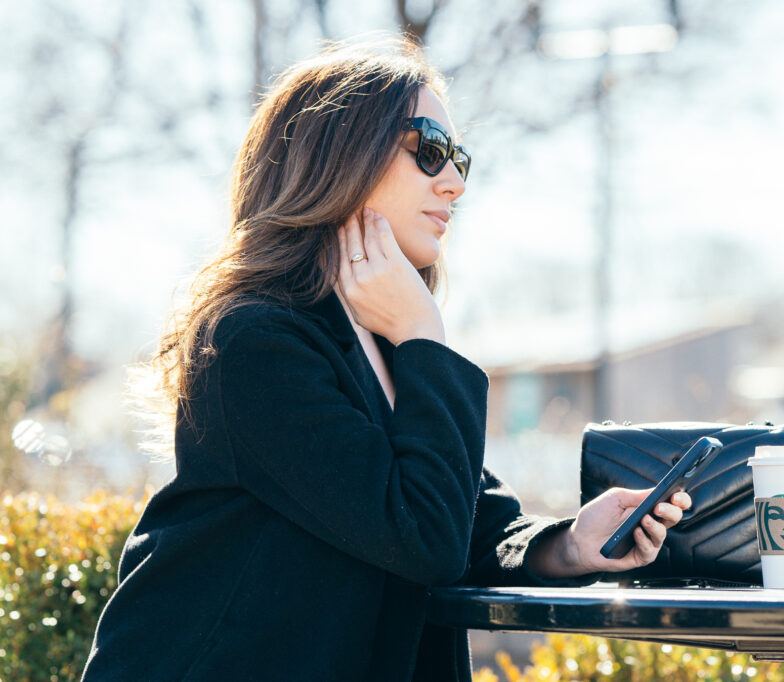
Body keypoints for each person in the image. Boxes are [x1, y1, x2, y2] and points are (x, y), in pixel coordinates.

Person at [81, 35, 692, 681]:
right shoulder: (253, 342)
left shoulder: (378, 335)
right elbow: (419, 535)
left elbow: (459, 517)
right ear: (340, 155)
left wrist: (568, 544)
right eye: (429, 150)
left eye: (458, 158)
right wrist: (424, 334)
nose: (454, 183)